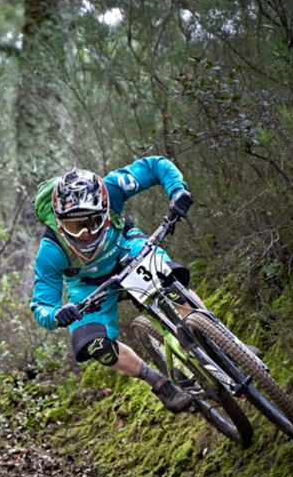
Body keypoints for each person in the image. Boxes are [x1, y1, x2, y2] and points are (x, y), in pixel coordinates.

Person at [29, 156, 196, 412]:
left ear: (105, 209)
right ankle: (159, 384)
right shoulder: (51, 250)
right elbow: (42, 304)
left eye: (92, 222)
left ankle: (222, 342)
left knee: (170, 284)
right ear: (60, 221)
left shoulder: (110, 189)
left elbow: (155, 166)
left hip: (125, 250)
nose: (84, 233)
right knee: (96, 345)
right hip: (87, 284)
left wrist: (177, 191)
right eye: (74, 225)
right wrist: (57, 314)